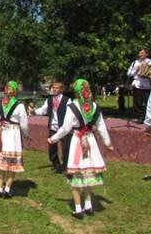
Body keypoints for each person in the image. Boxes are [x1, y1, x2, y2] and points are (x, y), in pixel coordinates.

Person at [47, 79, 113, 219]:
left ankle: (78, 209)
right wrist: (107, 143)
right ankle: (88, 205)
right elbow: (101, 126)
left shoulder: (73, 106)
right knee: (87, 174)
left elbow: (65, 128)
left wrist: (53, 139)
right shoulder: (94, 106)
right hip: (90, 141)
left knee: (76, 175)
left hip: (77, 140)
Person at [30, 82, 71, 173]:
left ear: (61, 90)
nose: (54, 89)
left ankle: (65, 167)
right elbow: (43, 110)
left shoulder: (67, 100)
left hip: (63, 128)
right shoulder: (49, 100)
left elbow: (71, 114)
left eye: (57, 88)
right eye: (53, 88)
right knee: (52, 148)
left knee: (65, 148)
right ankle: (56, 165)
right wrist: (34, 112)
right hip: (53, 127)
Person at [127, 48, 151, 123]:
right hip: (138, 84)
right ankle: (140, 117)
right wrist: (136, 70)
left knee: (148, 102)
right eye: (139, 53)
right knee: (138, 102)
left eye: (142, 53)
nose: (140, 55)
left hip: (148, 84)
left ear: (146, 54)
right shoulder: (135, 62)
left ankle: (148, 118)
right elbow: (129, 73)